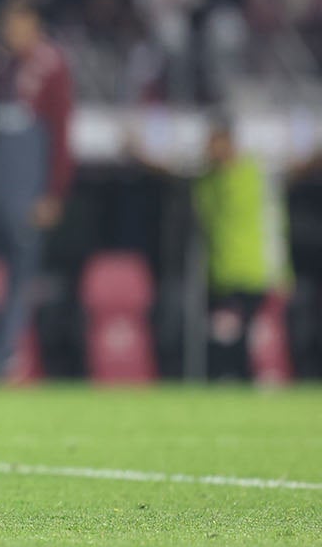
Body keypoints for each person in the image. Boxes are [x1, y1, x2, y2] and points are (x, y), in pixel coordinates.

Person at [129, 117, 316, 380]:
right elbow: (169, 171)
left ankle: (267, 382)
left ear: (230, 142)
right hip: (223, 273)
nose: (210, 150)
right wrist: (138, 152)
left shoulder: (259, 170)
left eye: (215, 143)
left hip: (262, 272)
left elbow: (300, 168)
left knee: (258, 337)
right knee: (227, 336)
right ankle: (236, 382)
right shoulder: (205, 179)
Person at [0, 0, 72, 379]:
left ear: (33, 24)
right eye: (5, 23)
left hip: (26, 181)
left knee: (21, 275)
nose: (8, 31)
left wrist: (53, 193)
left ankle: (2, 357)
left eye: (15, 23)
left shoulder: (51, 67)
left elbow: (61, 135)